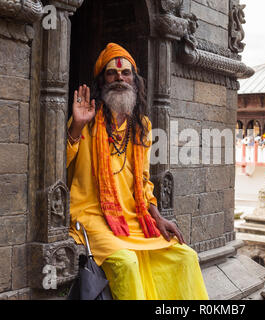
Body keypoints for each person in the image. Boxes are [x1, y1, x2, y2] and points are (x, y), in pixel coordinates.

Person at [66, 43, 208, 300]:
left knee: (186, 257)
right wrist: (76, 126)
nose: (119, 78)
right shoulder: (87, 119)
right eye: (112, 73)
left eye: (125, 73)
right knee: (127, 263)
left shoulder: (141, 125)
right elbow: (62, 162)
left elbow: (142, 182)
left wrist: (158, 218)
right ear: (103, 80)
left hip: (133, 218)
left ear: (135, 80)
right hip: (94, 218)